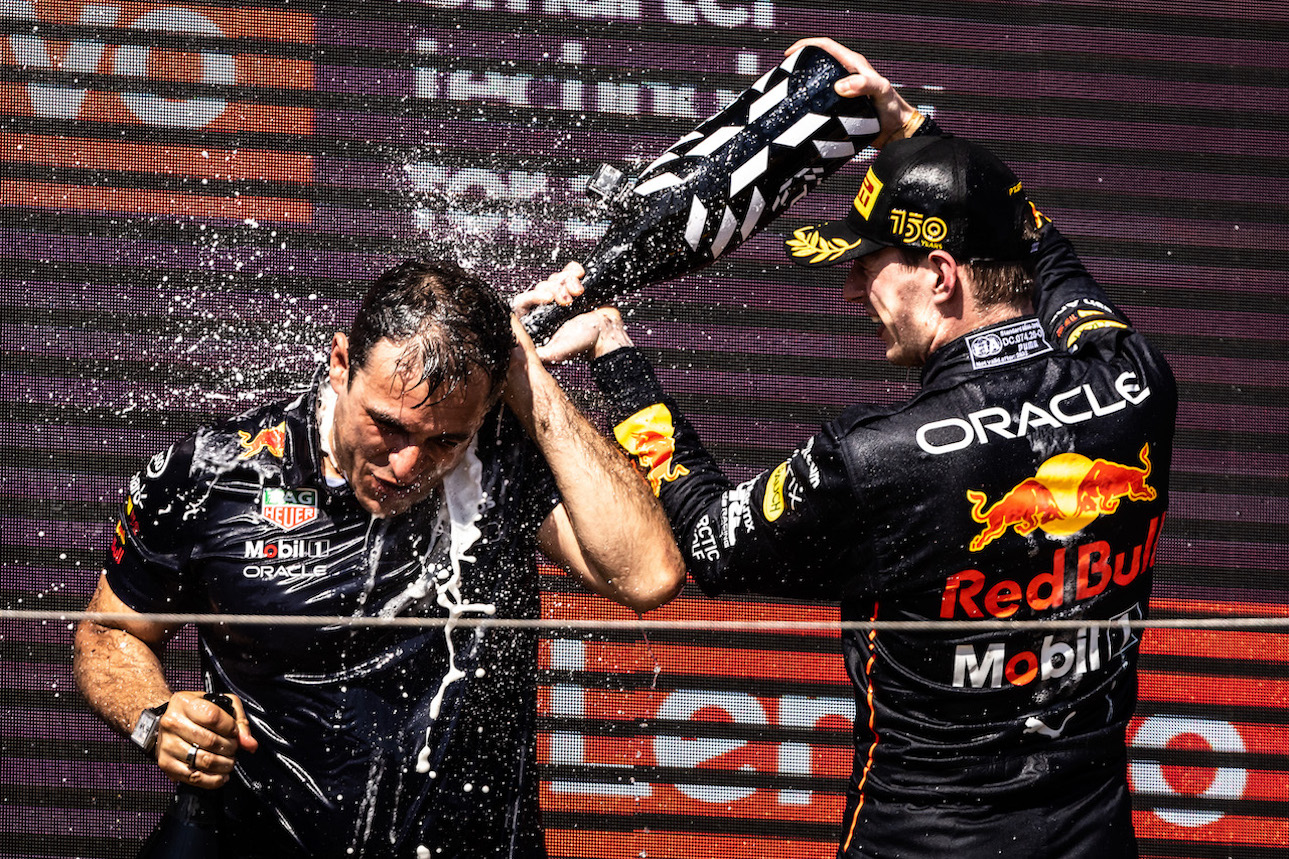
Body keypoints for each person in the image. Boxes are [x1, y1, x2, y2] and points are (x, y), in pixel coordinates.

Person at [528, 38, 1177, 858]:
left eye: (867, 264)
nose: (846, 288)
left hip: (916, 841)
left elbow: (706, 541)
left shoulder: (878, 457)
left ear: (938, 275)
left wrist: (617, 360)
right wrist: (913, 131)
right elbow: (1042, 249)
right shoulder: (1133, 377)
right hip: (1092, 837)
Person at [72, 256, 685, 858]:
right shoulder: (216, 472)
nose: (408, 466)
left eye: (444, 439)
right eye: (389, 426)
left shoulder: (498, 459)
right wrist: (154, 717)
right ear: (340, 364)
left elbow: (648, 574)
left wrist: (527, 379)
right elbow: (107, 634)